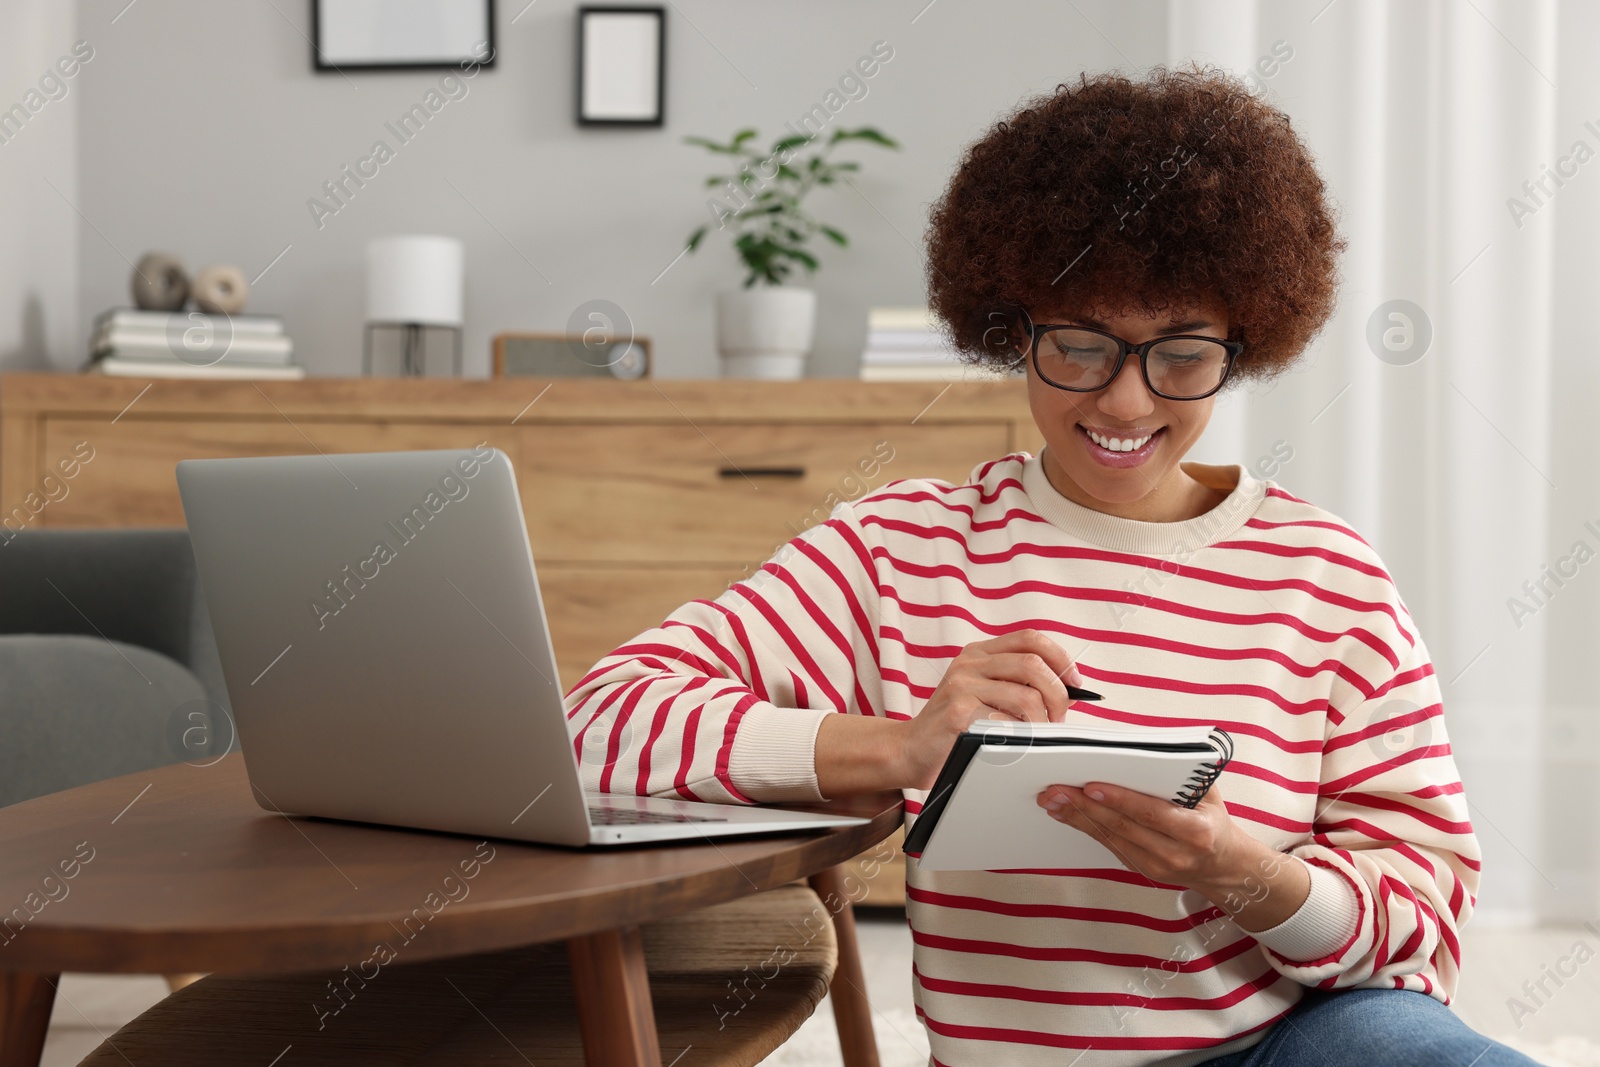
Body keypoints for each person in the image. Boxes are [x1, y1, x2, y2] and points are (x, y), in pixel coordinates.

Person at [564, 65, 1538, 1066]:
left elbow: (1424, 920)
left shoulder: (1326, 575)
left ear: (1242, 345)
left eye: (1182, 352)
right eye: (1078, 346)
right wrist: (899, 749)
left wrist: (1244, 872)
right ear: (1011, 328)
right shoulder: (904, 548)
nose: (1123, 402)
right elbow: (593, 723)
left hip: (1280, 1044)